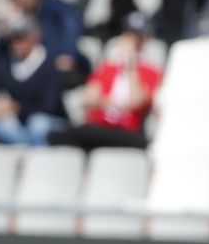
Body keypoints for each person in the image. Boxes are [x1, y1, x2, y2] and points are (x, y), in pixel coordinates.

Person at [50, 17, 161, 152]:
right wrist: (110, 103)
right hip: (99, 125)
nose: (131, 40)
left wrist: (132, 68)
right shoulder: (107, 68)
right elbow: (88, 100)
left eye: (136, 37)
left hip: (127, 129)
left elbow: (137, 102)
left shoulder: (151, 72)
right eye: (128, 35)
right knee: (58, 137)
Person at [0, 17, 68, 147]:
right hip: (15, 122)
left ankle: (37, 162)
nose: (15, 43)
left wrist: (17, 108)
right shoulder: (3, 63)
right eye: (12, 38)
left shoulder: (50, 66)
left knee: (38, 125)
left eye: (21, 37)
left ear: (35, 37)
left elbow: (49, 107)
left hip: (49, 121)